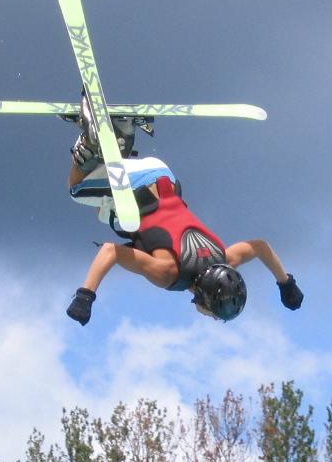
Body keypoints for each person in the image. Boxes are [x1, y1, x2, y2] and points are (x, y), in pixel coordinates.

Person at [64, 98, 303, 326]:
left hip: (163, 174)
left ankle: (123, 133)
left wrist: (286, 284)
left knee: (107, 214)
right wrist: (86, 297)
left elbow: (260, 246)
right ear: (205, 300)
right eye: (214, 314)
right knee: (76, 190)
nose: (214, 319)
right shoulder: (167, 273)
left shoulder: (225, 258)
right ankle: (87, 146)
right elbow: (110, 252)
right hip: (133, 186)